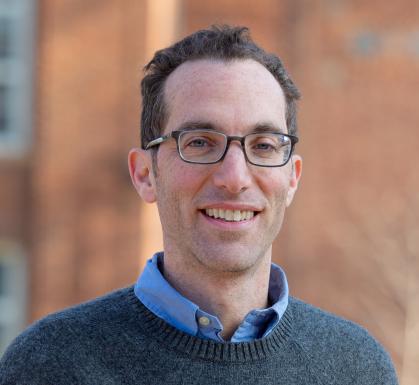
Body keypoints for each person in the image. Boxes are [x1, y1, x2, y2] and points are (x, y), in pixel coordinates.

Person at [0, 25, 398, 384]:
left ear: (292, 178)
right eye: (200, 143)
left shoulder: (357, 368)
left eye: (262, 146)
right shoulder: (52, 364)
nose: (235, 177)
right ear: (145, 174)